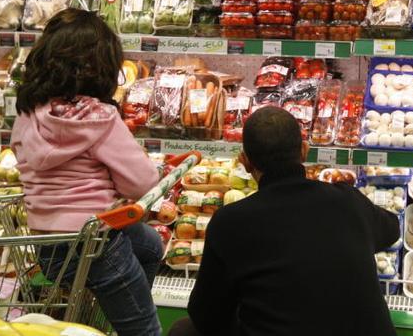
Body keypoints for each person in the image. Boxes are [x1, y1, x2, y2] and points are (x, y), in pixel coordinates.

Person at [170, 106, 400, 336]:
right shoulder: (348, 200)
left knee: (183, 330)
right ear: (304, 150)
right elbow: (392, 230)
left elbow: (206, 315)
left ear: (245, 161)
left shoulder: (229, 222)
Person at [11, 9, 163, 336]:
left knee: (149, 245)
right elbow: (143, 183)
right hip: (95, 245)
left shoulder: (27, 113)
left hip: (49, 247)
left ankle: (112, 314)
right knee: (144, 330)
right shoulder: (100, 116)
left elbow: (22, 159)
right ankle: (123, 314)